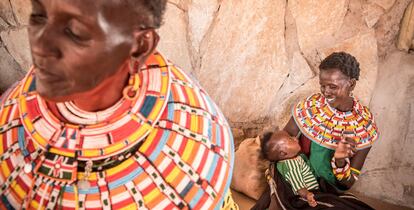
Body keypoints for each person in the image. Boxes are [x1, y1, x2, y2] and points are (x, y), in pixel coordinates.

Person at [0, 1, 236, 209]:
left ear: (140, 46)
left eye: (75, 31)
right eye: (40, 15)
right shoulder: (12, 125)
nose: (41, 46)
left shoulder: (191, 146)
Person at [253, 52, 379, 210]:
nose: (326, 92)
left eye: (333, 86)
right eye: (323, 85)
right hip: (296, 180)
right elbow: (280, 148)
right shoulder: (310, 107)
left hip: (328, 189)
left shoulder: (364, 125)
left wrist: (340, 161)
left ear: (351, 84)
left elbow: (347, 184)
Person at [260, 131, 318, 208]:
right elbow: (298, 185)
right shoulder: (290, 165)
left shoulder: (294, 159)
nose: (295, 138)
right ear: (283, 153)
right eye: (290, 139)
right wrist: (307, 195)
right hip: (306, 196)